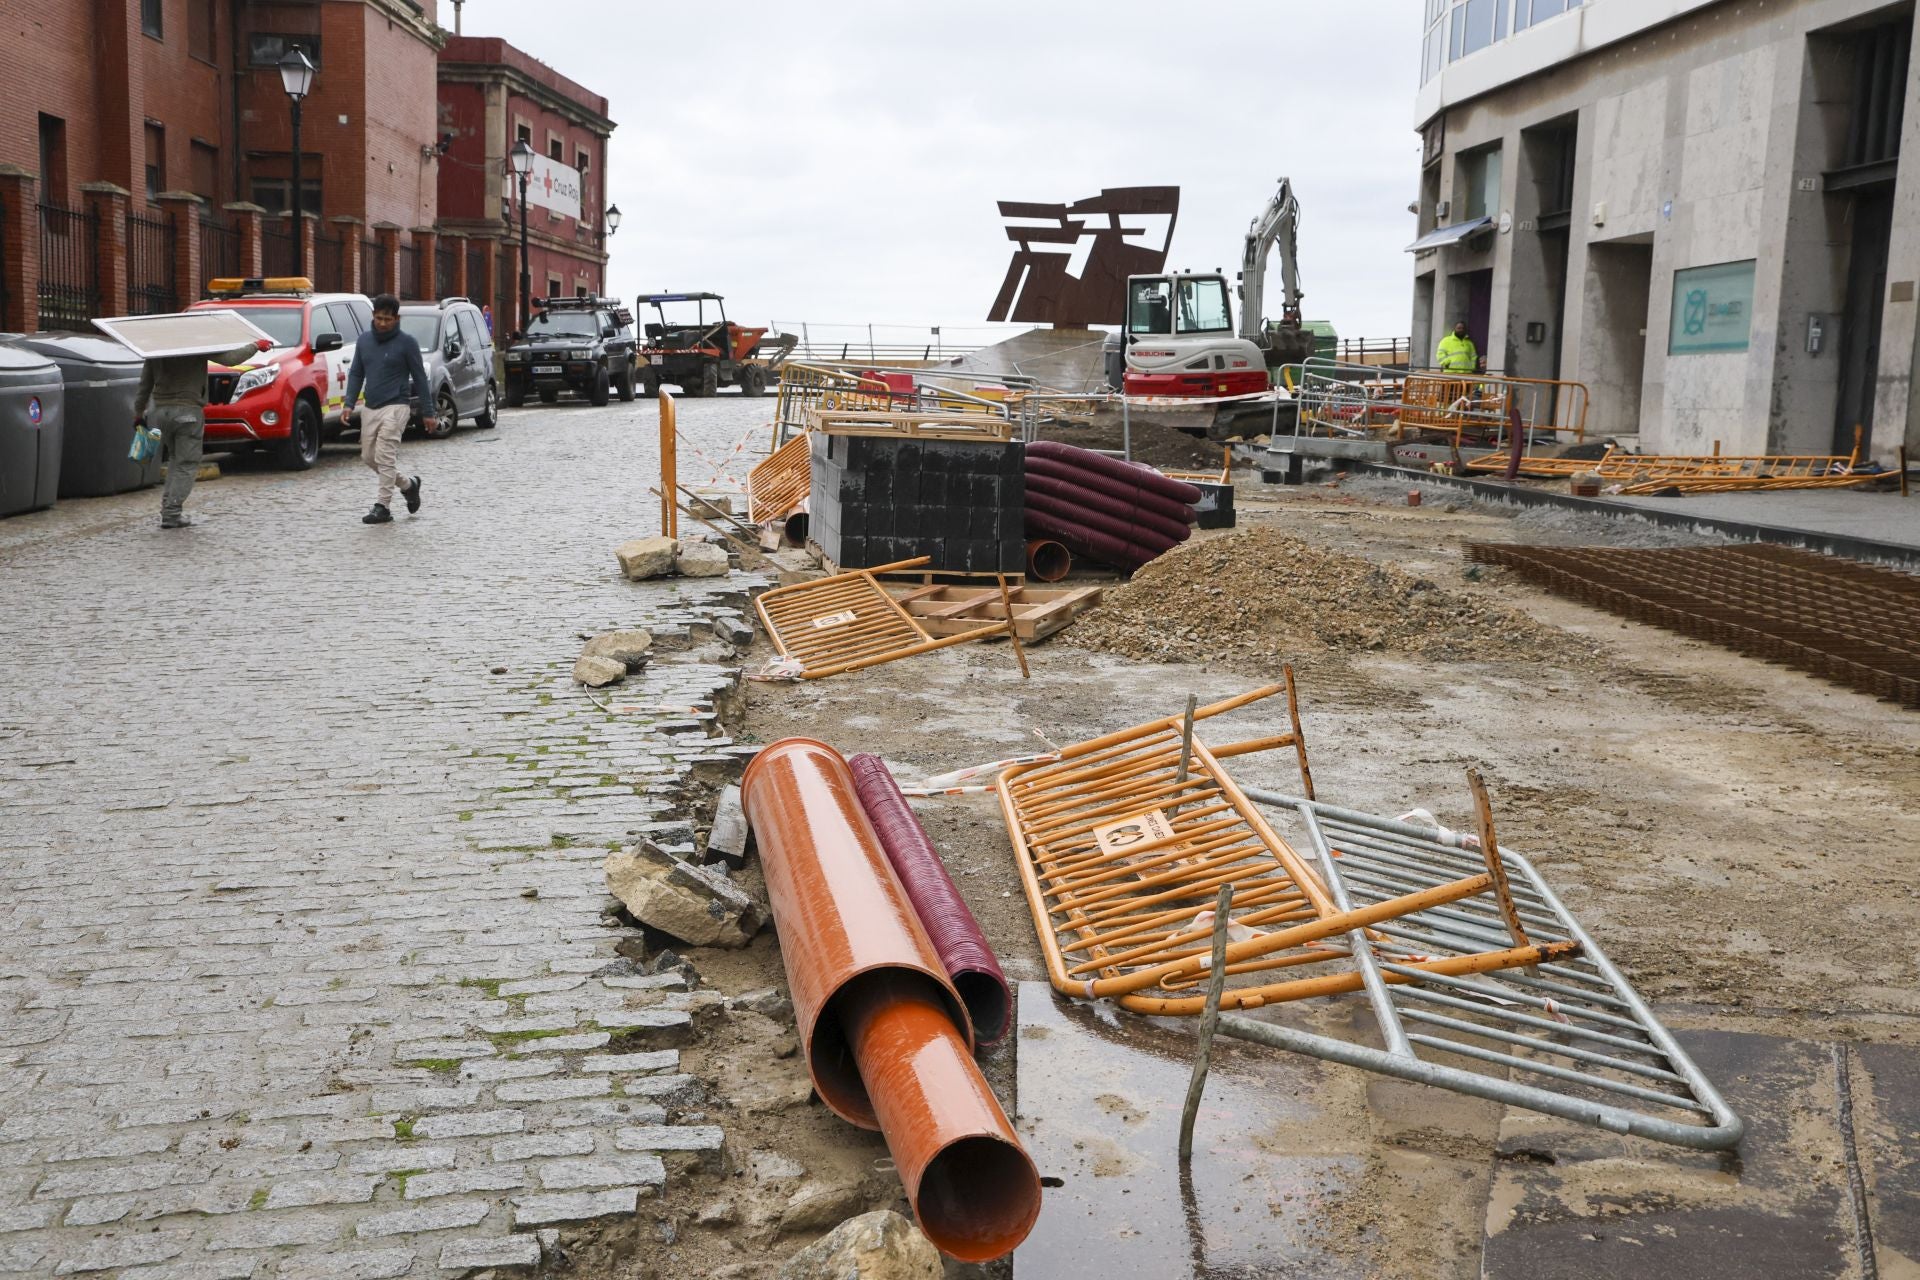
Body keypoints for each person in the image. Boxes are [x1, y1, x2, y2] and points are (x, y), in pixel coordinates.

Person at [135, 335, 271, 529]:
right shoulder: (195, 346)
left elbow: (144, 385)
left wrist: (138, 412)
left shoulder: (157, 349)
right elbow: (231, 359)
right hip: (187, 412)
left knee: (175, 459)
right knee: (187, 463)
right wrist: (255, 346)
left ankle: (168, 509)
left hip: (160, 413)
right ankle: (172, 514)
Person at [343, 293, 435, 524]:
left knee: (385, 456)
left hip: (397, 406)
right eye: (379, 318)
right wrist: (348, 403)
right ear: (373, 316)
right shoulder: (364, 341)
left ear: (397, 318)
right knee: (368, 457)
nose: (383, 323)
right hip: (370, 407)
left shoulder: (407, 343)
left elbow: (420, 378)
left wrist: (429, 412)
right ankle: (408, 485)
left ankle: (382, 507)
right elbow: (356, 373)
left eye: (388, 319)